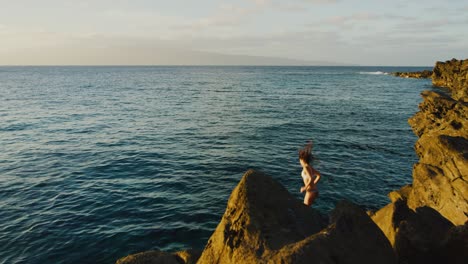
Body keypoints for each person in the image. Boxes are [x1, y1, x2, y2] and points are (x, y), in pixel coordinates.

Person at [299, 142, 321, 206]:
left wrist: (305, 187)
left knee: (305, 209)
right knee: (307, 208)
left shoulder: (305, 167)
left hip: (310, 192)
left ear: (302, 160)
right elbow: (319, 175)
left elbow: (310, 178)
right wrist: (313, 184)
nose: (299, 162)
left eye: (300, 160)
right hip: (313, 190)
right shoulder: (309, 167)